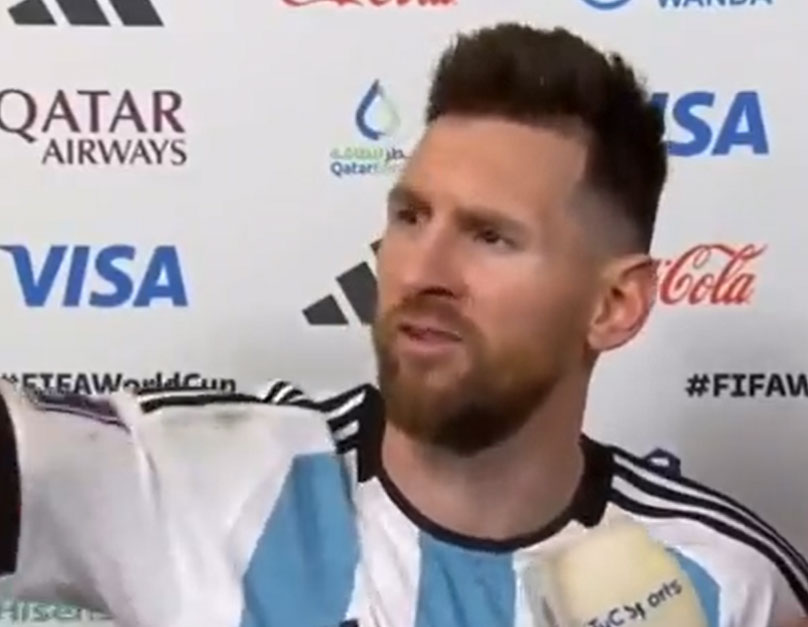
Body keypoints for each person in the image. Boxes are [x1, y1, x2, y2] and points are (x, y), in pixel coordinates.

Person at [1, 22, 806, 627]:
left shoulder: (729, 583)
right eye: (412, 216)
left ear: (614, 306)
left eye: (491, 236)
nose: (422, 270)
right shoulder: (205, 481)